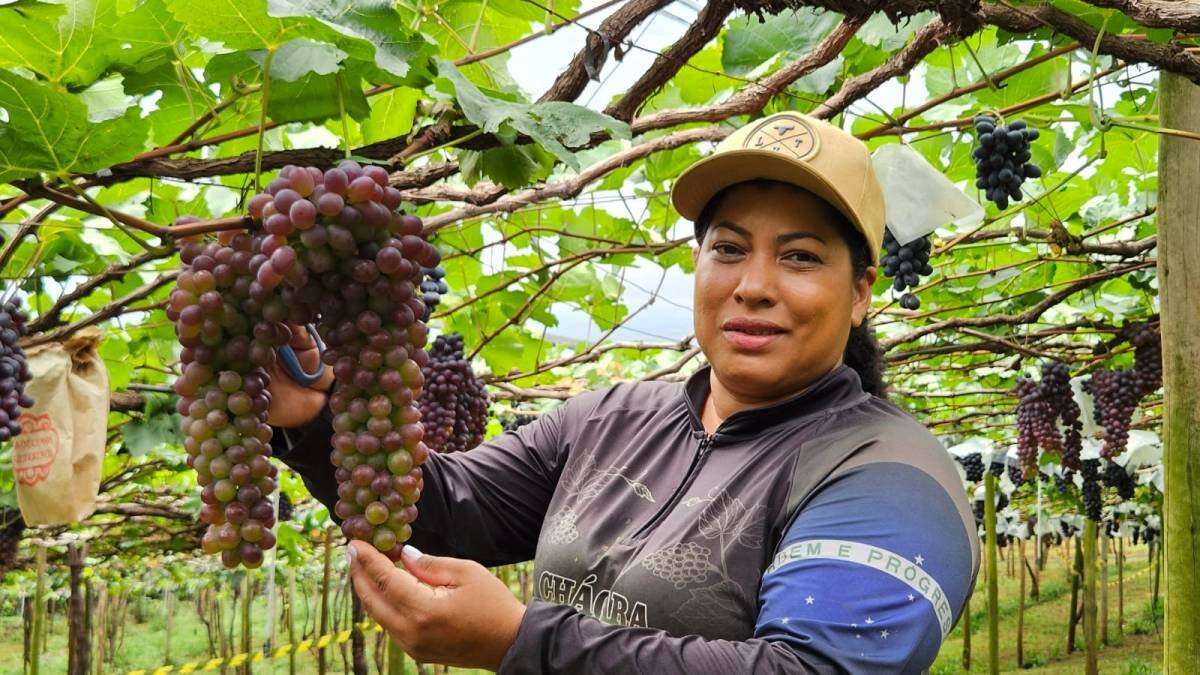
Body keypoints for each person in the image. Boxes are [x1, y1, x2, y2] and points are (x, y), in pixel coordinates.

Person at [268, 111, 980, 674]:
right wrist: (315, 421)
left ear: (860, 293)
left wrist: (521, 640)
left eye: (799, 256)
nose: (754, 285)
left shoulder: (891, 478)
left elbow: (809, 669)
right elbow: (449, 512)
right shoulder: (611, 417)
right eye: (729, 249)